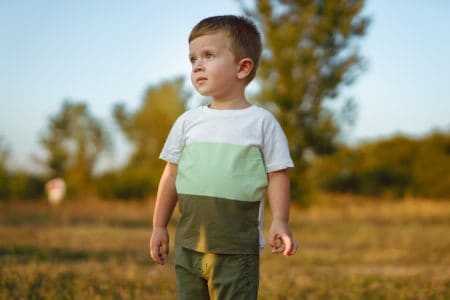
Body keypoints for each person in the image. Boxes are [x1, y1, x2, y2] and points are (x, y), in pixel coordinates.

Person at [149, 15, 298, 299]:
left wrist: (280, 220)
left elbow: (277, 174)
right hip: (189, 246)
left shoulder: (262, 123)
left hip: (236, 251)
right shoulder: (187, 122)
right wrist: (159, 226)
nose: (197, 66)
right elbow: (170, 176)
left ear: (242, 67)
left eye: (208, 55)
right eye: (192, 59)